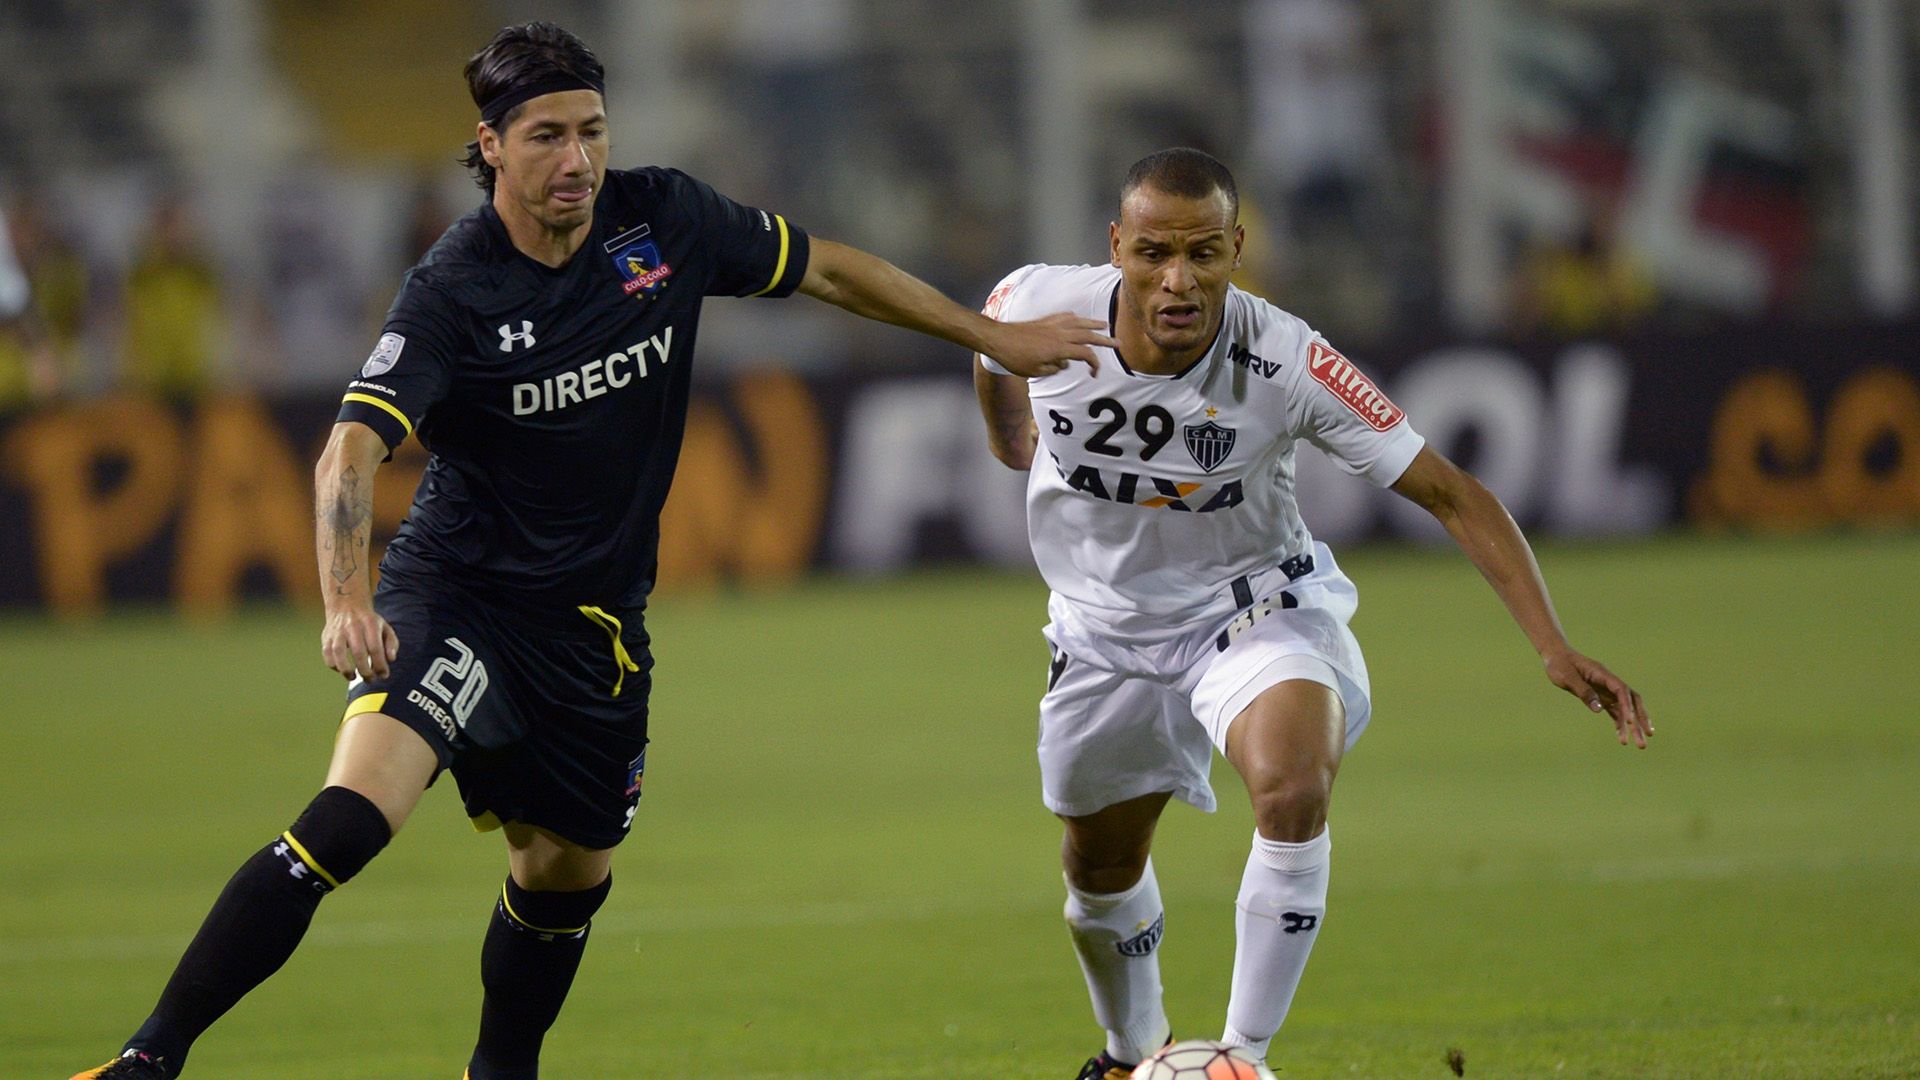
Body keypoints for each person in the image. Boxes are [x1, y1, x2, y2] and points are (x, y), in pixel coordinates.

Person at [72, 22, 1110, 1080]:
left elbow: (829, 273)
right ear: (490, 147)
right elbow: (348, 451)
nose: (576, 160)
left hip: (595, 631)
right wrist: (347, 600)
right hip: (460, 597)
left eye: (591, 132)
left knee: (562, 877)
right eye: (546, 137)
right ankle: (147, 1059)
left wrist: (996, 340)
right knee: (348, 821)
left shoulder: (662, 219)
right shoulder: (454, 288)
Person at [972, 148, 1652, 1079]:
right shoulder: (1036, 303)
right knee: (1098, 864)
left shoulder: (1286, 358)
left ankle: (1240, 1061)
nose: (1179, 279)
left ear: (1236, 249)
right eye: (1155, 253)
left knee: (1293, 787)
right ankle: (1132, 1053)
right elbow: (987, 346)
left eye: (1205, 254)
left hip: (1251, 608)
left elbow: (1451, 491)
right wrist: (1010, 440)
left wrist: (1552, 644)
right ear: (1117, 247)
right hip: (1103, 631)